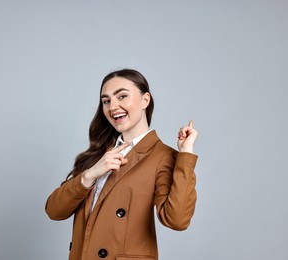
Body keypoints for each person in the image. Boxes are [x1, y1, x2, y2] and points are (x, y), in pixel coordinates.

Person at [45, 69, 198, 260]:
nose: (113, 106)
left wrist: (185, 154)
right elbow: (54, 210)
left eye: (122, 96)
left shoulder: (163, 156)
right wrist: (90, 175)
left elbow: (177, 220)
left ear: (145, 100)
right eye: (106, 101)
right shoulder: (98, 155)